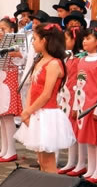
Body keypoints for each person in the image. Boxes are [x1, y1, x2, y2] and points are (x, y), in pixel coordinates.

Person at [15, 23, 75, 173]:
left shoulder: (54, 63)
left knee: (48, 160)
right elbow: (32, 88)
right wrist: (27, 109)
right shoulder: (39, 60)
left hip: (47, 113)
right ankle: (43, 184)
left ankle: (52, 185)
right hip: (36, 112)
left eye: (35, 39)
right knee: (41, 159)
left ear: (44, 41)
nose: (33, 43)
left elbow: (46, 94)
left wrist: (28, 111)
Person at [71, 22, 97, 182]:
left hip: (94, 105)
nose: (84, 41)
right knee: (87, 138)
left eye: (88, 38)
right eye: (84, 39)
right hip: (82, 104)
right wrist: (75, 106)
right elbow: (78, 84)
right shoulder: (82, 60)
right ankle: (90, 168)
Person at [0, 17, 24, 163]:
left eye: (3, 29)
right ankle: (4, 149)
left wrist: (16, 54)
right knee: (2, 116)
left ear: (11, 30)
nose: (0, 31)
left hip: (9, 79)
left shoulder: (15, 42)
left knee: (8, 116)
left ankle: (11, 151)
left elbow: (20, 60)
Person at [58, 26, 86, 174]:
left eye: (66, 39)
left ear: (75, 40)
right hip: (66, 96)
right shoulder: (69, 57)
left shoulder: (80, 58)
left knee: (78, 131)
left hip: (76, 97)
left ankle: (81, 162)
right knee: (70, 130)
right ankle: (71, 161)